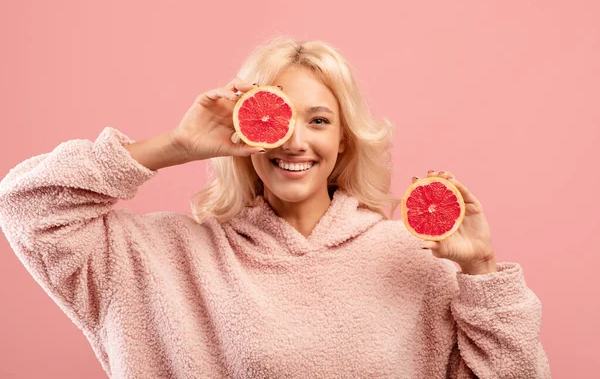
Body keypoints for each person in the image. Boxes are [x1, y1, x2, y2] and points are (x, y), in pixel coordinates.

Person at [0, 36, 551, 378]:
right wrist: (177, 145)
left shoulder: (411, 261)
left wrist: (480, 271)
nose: (294, 142)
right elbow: (27, 205)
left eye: (318, 120)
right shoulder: (163, 258)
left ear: (344, 142)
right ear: (244, 133)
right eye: (277, 118)